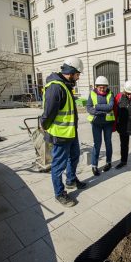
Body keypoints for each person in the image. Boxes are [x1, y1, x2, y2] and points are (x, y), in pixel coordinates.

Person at [40, 56, 86, 207]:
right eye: (78, 74)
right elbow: (48, 114)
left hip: (71, 132)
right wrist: (44, 126)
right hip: (60, 134)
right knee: (58, 166)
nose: (78, 77)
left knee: (74, 157)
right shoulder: (56, 87)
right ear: (71, 72)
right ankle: (59, 193)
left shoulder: (65, 85)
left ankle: (71, 179)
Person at [87, 76, 115, 176]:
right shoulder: (92, 94)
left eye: (104, 87)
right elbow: (89, 108)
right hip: (96, 123)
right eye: (100, 87)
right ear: (96, 87)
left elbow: (110, 106)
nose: (102, 89)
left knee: (108, 143)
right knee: (97, 144)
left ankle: (108, 162)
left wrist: (97, 107)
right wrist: (99, 110)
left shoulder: (110, 94)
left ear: (107, 87)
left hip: (107, 123)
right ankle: (94, 165)